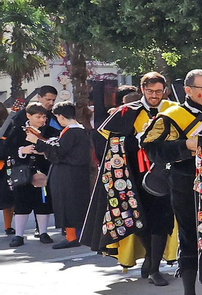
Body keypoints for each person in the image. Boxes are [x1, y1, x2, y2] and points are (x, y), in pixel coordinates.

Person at [141, 70, 202, 295]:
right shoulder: (172, 116)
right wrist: (185, 145)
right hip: (185, 183)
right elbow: (151, 148)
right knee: (189, 237)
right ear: (188, 90)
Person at [87, 74, 171, 272]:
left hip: (163, 174)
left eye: (158, 91)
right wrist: (139, 140)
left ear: (164, 91)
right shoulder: (127, 112)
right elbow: (112, 144)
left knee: (162, 221)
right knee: (138, 219)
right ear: (143, 90)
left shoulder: (172, 110)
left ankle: (155, 267)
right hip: (133, 175)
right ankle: (150, 257)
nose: (154, 95)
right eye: (150, 91)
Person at [3, 101, 57, 246]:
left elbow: (56, 150)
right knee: (21, 202)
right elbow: (6, 150)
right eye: (38, 117)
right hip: (22, 172)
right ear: (28, 116)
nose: (42, 120)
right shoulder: (17, 131)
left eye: (44, 117)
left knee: (42, 202)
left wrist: (44, 150)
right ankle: (19, 236)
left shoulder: (50, 131)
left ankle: (43, 232)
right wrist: (22, 150)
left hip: (43, 171)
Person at [39, 103, 92, 249]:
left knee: (68, 205)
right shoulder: (81, 129)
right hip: (76, 173)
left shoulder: (71, 131)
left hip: (68, 174)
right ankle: (79, 235)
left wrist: (39, 143)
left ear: (60, 116)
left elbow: (59, 151)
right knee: (77, 205)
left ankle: (72, 237)